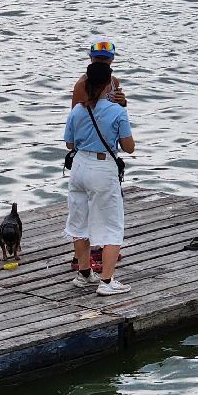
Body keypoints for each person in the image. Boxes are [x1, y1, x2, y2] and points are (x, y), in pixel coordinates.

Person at [64, 61, 135, 296]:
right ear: (108, 84)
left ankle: (84, 274)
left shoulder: (77, 110)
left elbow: (69, 144)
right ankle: (106, 281)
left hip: (79, 167)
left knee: (79, 221)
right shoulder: (117, 111)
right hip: (102, 167)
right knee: (113, 226)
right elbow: (129, 147)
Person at [70, 37, 127, 109]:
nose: (101, 61)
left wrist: (122, 102)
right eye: (98, 58)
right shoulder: (82, 84)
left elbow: (118, 108)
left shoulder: (114, 82)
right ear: (91, 58)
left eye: (105, 59)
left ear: (112, 59)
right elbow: (75, 114)